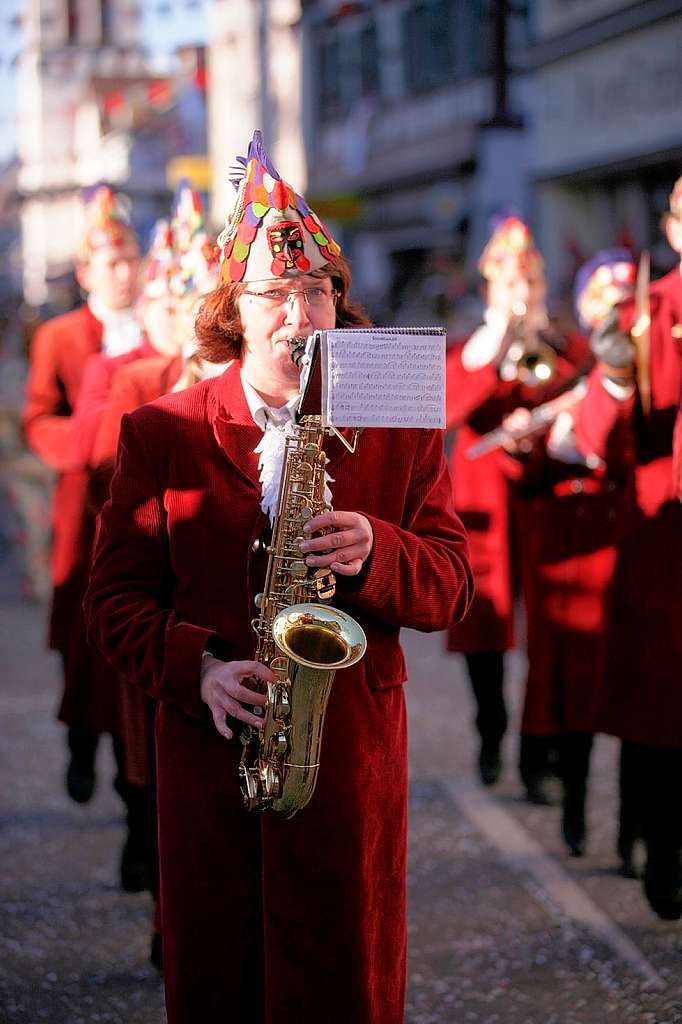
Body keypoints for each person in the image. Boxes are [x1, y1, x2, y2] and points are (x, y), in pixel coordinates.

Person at [84, 131, 473, 1023]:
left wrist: (380, 550)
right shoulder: (162, 430)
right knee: (221, 982)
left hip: (351, 770)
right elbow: (112, 602)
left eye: (317, 289)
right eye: (275, 292)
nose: (298, 314)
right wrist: (200, 668)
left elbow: (453, 583)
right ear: (234, 306)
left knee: (343, 989)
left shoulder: (393, 413)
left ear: (340, 301)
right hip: (211, 770)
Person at [445, 215, 585, 799]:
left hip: (539, 497)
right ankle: (490, 728)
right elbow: (449, 406)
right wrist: (496, 342)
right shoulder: (468, 348)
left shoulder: (562, 343)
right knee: (485, 620)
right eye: (508, 287)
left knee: (549, 626)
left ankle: (538, 750)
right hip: (483, 497)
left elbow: (583, 390)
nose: (521, 296)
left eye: (528, 285)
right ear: (489, 294)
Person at [22, 187, 143, 858]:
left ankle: (136, 819)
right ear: (86, 269)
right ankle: (79, 743)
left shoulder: (159, 329)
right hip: (84, 511)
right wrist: (86, 443)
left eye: (130, 257)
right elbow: (38, 418)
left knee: (132, 657)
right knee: (82, 643)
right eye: (110, 259)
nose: (123, 271)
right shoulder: (61, 335)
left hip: (145, 512)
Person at [573, 175, 682, 918]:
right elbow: (592, 440)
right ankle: (661, 849)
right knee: (658, 718)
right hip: (663, 550)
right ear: (673, 228)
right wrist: (612, 374)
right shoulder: (648, 311)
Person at [501, 250, 635, 857]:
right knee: (563, 679)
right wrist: (531, 437)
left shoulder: (623, 365)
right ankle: (569, 802)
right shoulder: (558, 360)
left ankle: (636, 831)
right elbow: (522, 473)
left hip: (619, 540)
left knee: (636, 691)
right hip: (561, 539)